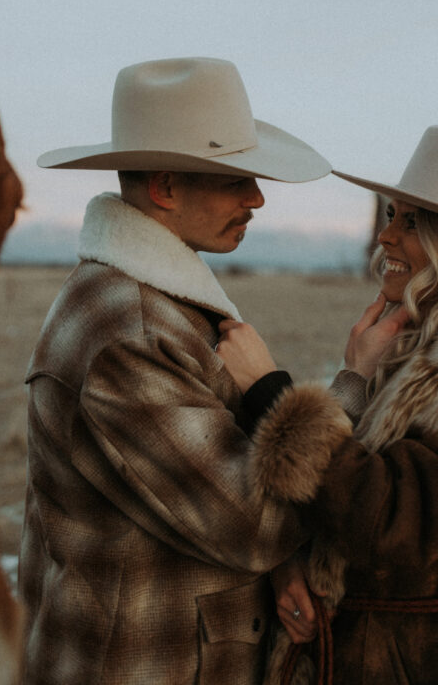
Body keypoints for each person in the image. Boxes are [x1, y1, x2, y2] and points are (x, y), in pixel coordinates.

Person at [217, 125, 438, 685]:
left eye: (410, 222)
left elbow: (392, 519)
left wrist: (270, 393)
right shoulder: (427, 353)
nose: (386, 237)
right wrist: (356, 378)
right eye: (390, 214)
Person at [18, 56, 332, 685]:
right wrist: (344, 384)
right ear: (164, 188)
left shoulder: (153, 302)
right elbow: (254, 524)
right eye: (236, 179)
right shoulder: (128, 335)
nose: (258, 198)